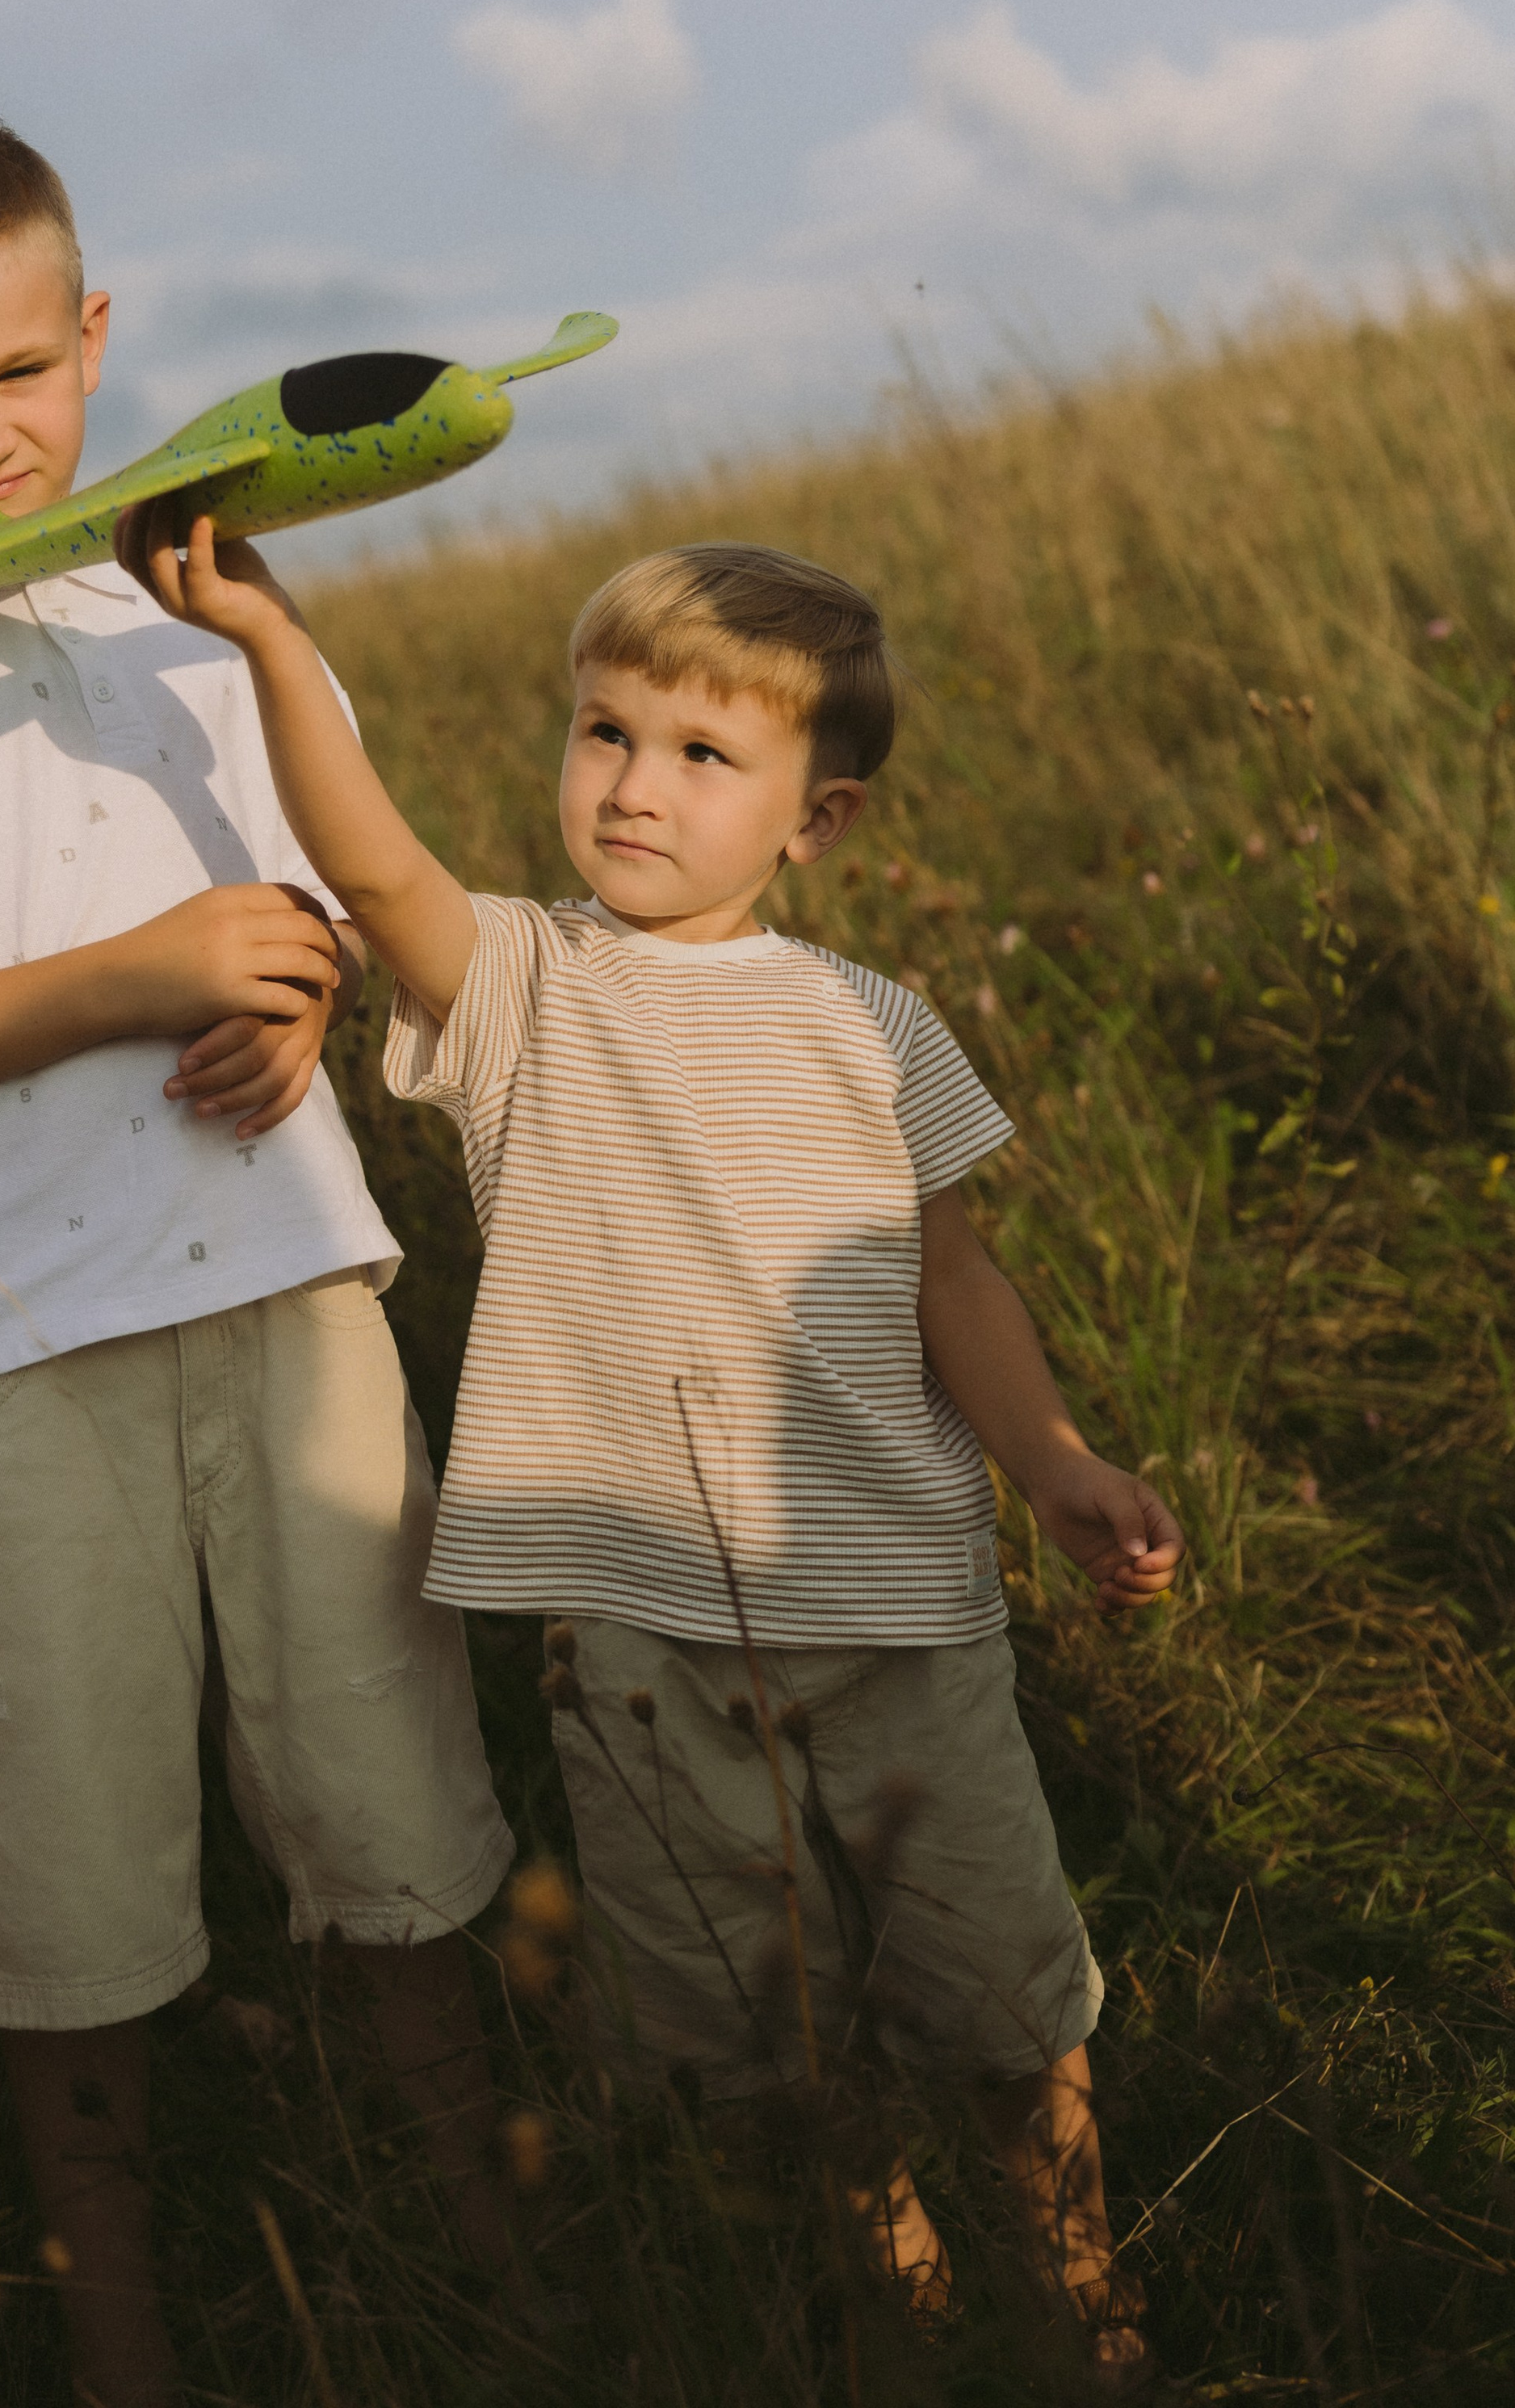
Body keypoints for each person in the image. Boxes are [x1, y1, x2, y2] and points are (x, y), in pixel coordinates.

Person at [140, 518, 1185, 2387]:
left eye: (702, 754)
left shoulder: (872, 1026)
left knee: (1006, 2020)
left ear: (820, 818)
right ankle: (904, 2318)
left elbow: (953, 1275)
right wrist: (268, 641)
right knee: (758, 2056)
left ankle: (1081, 2320)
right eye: (603, 732)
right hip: (636, 1652)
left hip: (897, 1620)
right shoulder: (527, 991)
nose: (631, 786)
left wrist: (1056, 1465)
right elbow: (369, 858)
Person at [0, 107, 514, 2407]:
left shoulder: (197, 617)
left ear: (97, 335)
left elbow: (311, 892)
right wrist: (125, 984)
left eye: (21, 372)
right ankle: (124, 2328)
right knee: (59, 1880)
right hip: (14, 1359)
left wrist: (285, 991)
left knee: (390, 1803)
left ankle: (484, 2246)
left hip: (283, 1294)